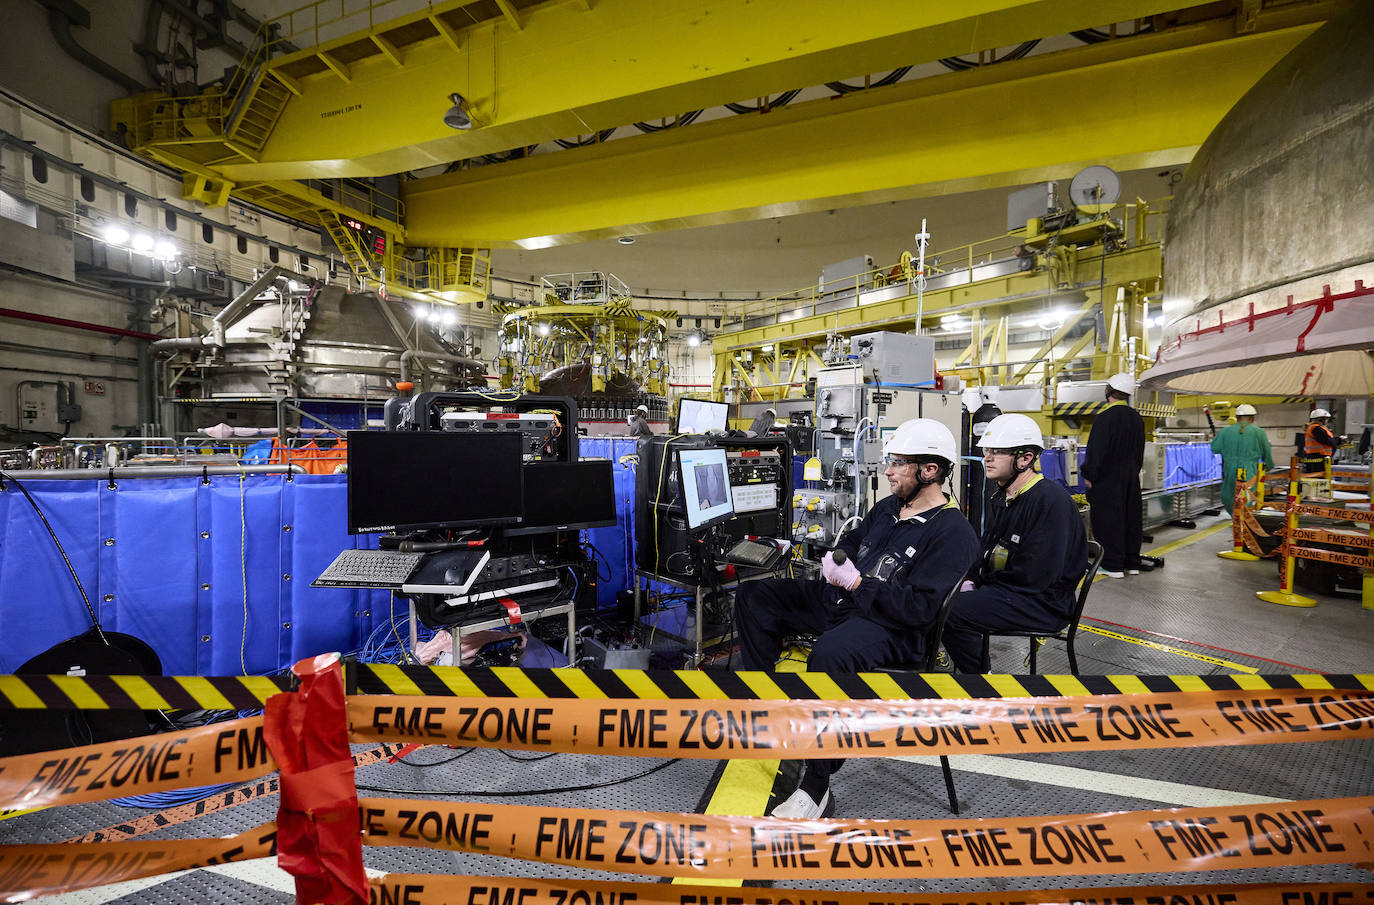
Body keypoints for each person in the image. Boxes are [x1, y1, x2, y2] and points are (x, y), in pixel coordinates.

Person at [733, 418, 979, 819]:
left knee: (829, 656)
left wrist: (858, 584)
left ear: (929, 471)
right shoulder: (887, 508)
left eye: (898, 463)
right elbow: (852, 539)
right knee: (755, 595)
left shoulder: (953, 533)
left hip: (893, 627)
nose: (888, 471)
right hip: (845, 601)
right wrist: (835, 556)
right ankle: (772, 710)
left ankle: (817, 786)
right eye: (890, 461)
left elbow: (918, 610)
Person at [942, 413, 1089, 673]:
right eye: (986, 450)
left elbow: (1037, 575)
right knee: (934, 593)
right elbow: (986, 550)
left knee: (950, 612)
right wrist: (969, 579)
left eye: (997, 452)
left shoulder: (1049, 503)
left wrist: (981, 586)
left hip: (1042, 602)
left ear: (1025, 458)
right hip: (1011, 590)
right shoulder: (1006, 496)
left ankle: (980, 682)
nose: (987, 457)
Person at [1081, 372, 1145, 579]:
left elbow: (1096, 451)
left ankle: (1112, 565)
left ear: (1108, 391)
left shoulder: (1105, 418)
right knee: (1130, 518)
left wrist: (1089, 474)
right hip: (1131, 477)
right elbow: (1140, 452)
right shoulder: (1137, 418)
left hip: (1107, 478)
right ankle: (1131, 562)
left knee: (1109, 520)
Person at [1211, 404, 1274, 514]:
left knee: (1229, 494)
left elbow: (1214, 448)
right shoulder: (1259, 432)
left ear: (1237, 416)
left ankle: (1235, 518)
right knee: (1247, 493)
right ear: (1252, 417)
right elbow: (1266, 453)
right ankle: (1243, 518)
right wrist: (1269, 466)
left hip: (1229, 470)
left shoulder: (1225, 432)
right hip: (1249, 470)